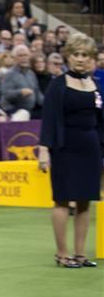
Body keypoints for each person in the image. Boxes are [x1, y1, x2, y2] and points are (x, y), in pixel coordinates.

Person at [39, 33, 102, 269]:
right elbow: (48, 120)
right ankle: (62, 253)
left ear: (92, 58)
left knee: (86, 201)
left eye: (85, 55)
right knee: (62, 200)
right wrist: (44, 151)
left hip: (91, 148)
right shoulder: (58, 84)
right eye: (76, 54)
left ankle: (80, 254)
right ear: (68, 56)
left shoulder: (94, 85)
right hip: (65, 147)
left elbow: (100, 121)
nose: (80, 59)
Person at [0, 45, 43, 119]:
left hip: (30, 110)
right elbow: (5, 94)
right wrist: (20, 92)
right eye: (20, 56)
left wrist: (49, 102)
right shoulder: (9, 74)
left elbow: (37, 94)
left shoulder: (31, 74)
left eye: (25, 55)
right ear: (15, 58)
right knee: (23, 114)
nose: (24, 58)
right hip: (13, 109)